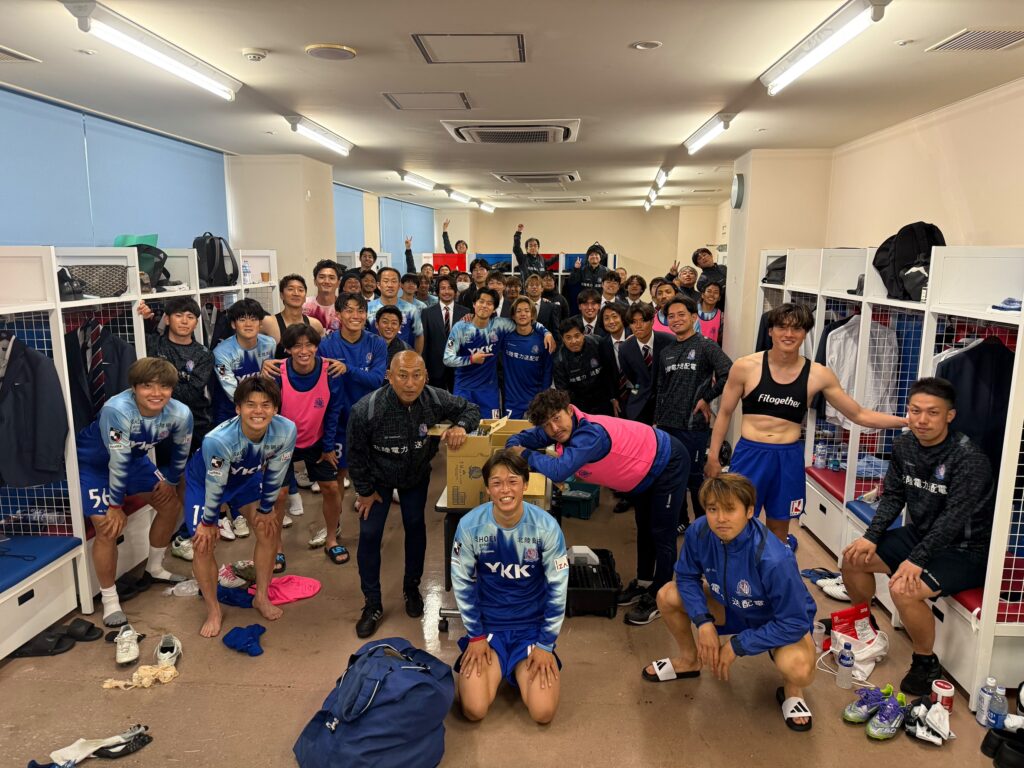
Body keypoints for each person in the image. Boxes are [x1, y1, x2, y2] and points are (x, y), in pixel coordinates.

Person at [840, 377, 994, 696]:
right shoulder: (904, 445)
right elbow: (894, 496)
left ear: (949, 415)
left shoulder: (969, 458)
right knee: (854, 558)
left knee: (903, 589)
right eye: (915, 411)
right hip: (921, 534)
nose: (922, 420)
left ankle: (925, 663)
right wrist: (871, 536)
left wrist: (916, 559)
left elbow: (953, 519)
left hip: (965, 549)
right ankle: (864, 629)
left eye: (932, 413)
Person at [706, 303, 907, 543]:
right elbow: (725, 412)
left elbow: (858, 414)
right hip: (751, 454)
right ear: (770, 331)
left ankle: (774, 566)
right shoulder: (745, 366)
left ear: (805, 333)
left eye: (797, 329)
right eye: (782, 327)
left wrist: (906, 421)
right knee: (737, 523)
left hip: (787, 458)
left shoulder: (818, 374)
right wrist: (713, 456)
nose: (788, 334)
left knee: (779, 528)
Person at [642, 474, 817, 733]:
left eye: (730, 509)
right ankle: (689, 661)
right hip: (730, 605)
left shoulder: (775, 558)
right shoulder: (699, 531)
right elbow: (687, 577)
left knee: (798, 668)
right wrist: (703, 623)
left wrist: (738, 644)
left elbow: (794, 621)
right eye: (713, 509)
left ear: (749, 511)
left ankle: (792, 690)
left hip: (775, 620)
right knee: (668, 595)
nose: (720, 518)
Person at [506, 389, 690, 626]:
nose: (554, 428)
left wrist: (525, 454)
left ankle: (661, 596)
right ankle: (644, 583)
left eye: (557, 418)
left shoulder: (590, 434)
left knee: (662, 532)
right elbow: (522, 438)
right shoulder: (559, 429)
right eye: (546, 424)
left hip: (667, 461)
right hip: (643, 473)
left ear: (569, 410)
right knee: (644, 526)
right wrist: (515, 445)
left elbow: (559, 470)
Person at [347, 351, 481, 637]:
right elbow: (355, 454)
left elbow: (471, 410)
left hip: (415, 476)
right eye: (402, 376)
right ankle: (372, 604)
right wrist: (365, 492)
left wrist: (460, 427)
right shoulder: (366, 409)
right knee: (370, 534)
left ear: (426, 377)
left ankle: (412, 588)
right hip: (377, 480)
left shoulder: (435, 399)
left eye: (416, 375)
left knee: (415, 526)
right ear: (389, 377)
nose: (410, 383)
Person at [452, 450, 568, 724]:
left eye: (513, 481)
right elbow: (462, 583)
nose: (505, 490)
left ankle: (518, 668)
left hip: (531, 629)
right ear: (487, 489)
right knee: (474, 710)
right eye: (497, 483)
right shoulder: (469, 527)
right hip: (489, 627)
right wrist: (476, 636)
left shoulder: (546, 527)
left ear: (525, 484)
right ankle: (499, 668)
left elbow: (558, 589)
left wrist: (546, 644)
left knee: (543, 713)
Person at [76, 358, 193, 626]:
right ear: (134, 388)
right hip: (95, 465)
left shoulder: (180, 413)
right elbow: (116, 462)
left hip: (134, 461)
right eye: (147, 386)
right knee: (107, 526)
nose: (156, 393)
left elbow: (181, 451)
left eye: (164, 387)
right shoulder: (117, 409)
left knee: (171, 505)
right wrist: (116, 506)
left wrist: (170, 481)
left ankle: (155, 568)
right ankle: (110, 600)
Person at [186, 378, 296, 636]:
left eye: (266, 405)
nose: (258, 411)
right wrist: (209, 522)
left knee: (268, 529)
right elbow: (215, 486)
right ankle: (213, 610)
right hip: (205, 484)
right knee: (202, 543)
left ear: (275, 409)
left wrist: (266, 509)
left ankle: (261, 597)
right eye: (250, 404)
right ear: (238, 408)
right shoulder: (218, 439)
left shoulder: (286, 429)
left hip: (245, 478)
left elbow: (276, 473)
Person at [136, 296, 214, 560]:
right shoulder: (153, 344)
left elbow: (192, 393)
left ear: (196, 322)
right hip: (155, 427)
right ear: (167, 319)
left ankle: (186, 533)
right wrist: (144, 315)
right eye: (179, 315)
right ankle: (173, 534)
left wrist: (157, 386)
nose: (184, 321)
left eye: (190, 317)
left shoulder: (203, 354)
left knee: (190, 481)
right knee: (166, 481)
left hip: (195, 423)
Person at [313, 293, 388, 538]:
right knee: (336, 478)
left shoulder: (376, 343)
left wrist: (347, 369)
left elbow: (376, 379)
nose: (355, 316)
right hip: (338, 421)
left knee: (372, 474)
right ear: (338, 314)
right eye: (349, 310)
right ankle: (333, 528)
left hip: (370, 420)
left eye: (360, 310)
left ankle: (372, 530)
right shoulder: (327, 345)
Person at [272, 324, 348, 565]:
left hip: (316, 440)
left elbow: (334, 410)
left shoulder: (330, 371)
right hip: (283, 443)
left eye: (309, 345)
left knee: (331, 488)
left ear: (317, 347)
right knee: (279, 494)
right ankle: (276, 547)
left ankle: (331, 540)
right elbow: (270, 412)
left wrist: (328, 446)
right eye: (297, 346)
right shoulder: (277, 373)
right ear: (287, 349)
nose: (303, 351)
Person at [656, 296, 733, 530]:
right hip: (667, 425)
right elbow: (661, 388)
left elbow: (728, 373)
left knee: (695, 479)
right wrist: (657, 421)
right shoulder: (666, 352)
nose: (676, 320)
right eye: (671, 316)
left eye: (681, 315)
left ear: (693, 317)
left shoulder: (705, 345)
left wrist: (707, 398)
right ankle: (681, 521)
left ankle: (704, 524)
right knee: (672, 475)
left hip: (693, 426)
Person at [444, 288, 554, 419]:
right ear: (474, 304)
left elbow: (525, 321)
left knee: (492, 428)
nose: (484, 306)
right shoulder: (460, 327)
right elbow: (447, 359)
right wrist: (471, 359)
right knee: (463, 426)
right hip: (464, 388)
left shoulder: (500, 325)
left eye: (489, 303)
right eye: (481, 301)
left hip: (488, 390)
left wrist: (546, 332)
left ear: (494, 308)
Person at [211, 299, 277, 427]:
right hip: (229, 413)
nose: (248, 324)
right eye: (242, 320)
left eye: (253, 319)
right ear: (233, 324)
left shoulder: (270, 344)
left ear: (260, 323)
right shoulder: (220, 353)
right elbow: (231, 391)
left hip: (261, 410)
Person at [618, 302, 674, 426]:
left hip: (667, 401)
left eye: (643, 321)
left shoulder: (669, 341)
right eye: (633, 322)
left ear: (652, 321)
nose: (638, 326)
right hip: (639, 401)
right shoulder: (625, 348)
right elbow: (632, 377)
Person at [552, 317, 617, 417]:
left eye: (577, 336)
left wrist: (613, 397)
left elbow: (610, 372)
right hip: (579, 406)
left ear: (583, 334)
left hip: (604, 399)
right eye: (568, 338)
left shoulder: (598, 343)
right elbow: (563, 392)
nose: (574, 341)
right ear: (562, 339)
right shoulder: (559, 360)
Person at [501, 297, 554, 419]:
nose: (523, 314)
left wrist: (542, 399)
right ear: (513, 316)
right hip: (511, 402)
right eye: (518, 311)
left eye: (526, 310)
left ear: (532, 315)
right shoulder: (505, 338)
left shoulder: (543, 341)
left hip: (535, 401)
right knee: (511, 431)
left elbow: (547, 372)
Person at [421, 274, 468, 392]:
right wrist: (423, 367)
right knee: (435, 400)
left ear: (455, 291)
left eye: (450, 288)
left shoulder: (466, 312)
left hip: (459, 367)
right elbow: (424, 343)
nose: (446, 291)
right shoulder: (427, 313)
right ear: (437, 291)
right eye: (443, 288)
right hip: (434, 368)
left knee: (458, 400)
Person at [263, 274, 325, 357]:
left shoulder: (315, 324)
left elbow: (322, 354)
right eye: (290, 289)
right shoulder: (268, 322)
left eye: (300, 290)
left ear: (305, 297)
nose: (296, 293)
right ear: (281, 295)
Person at [367, 266, 424, 354]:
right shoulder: (368, 308)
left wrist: (416, 357)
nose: (390, 285)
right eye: (386, 281)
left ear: (399, 285)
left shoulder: (411, 309)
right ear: (378, 285)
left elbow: (419, 334)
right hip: (374, 356)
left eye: (394, 281)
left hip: (403, 356)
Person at [302, 259, 341, 334]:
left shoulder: (344, 306)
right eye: (322, 277)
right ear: (315, 281)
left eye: (331, 278)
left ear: (338, 283)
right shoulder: (304, 304)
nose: (326, 281)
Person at [523, 273, 562, 342]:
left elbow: (555, 331)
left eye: (537, 285)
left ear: (542, 289)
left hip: (544, 345)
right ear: (526, 289)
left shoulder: (551, 307)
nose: (534, 287)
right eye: (531, 285)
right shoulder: (520, 306)